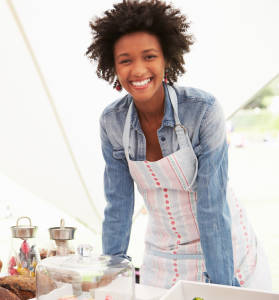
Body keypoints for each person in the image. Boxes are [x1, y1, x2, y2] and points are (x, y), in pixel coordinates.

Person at [86, 0, 272, 291]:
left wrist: (221, 288)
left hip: (222, 247)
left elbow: (212, 203)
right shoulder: (112, 121)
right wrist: (112, 275)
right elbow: (119, 205)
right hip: (162, 254)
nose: (138, 69)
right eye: (125, 60)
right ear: (113, 66)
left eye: (149, 56)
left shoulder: (203, 111)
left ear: (167, 59)